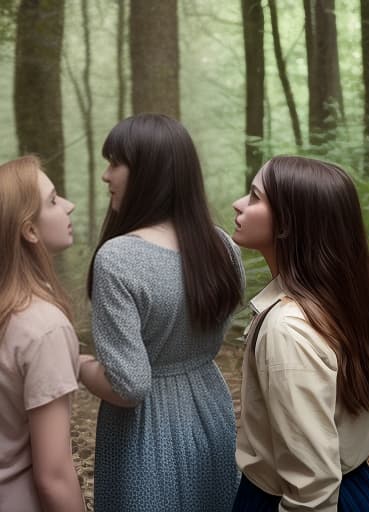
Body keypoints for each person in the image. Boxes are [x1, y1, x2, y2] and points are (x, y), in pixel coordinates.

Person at [79, 113, 245, 512]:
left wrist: (78, 364)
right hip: (212, 412)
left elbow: (129, 386)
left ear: (148, 172)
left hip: (145, 434)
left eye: (115, 163)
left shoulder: (119, 258)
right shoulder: (223, 247)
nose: (106, 176)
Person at [231, 155, 369, 511]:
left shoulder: (287, 328)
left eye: (255, 197)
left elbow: (312, 486)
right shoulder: (341, 300)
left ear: (289, 223)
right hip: (354, 487)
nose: (238, 204)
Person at [0, 156, 84, 512]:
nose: (69, 205)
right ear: (29, 230)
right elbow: (54, 477)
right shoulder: (43, 327)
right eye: (52, 200)